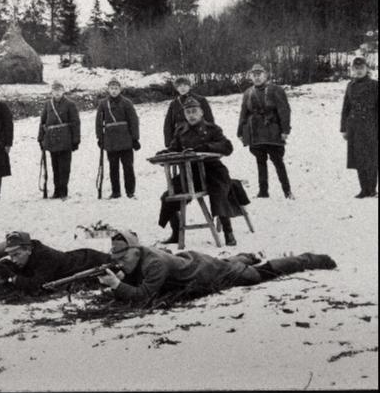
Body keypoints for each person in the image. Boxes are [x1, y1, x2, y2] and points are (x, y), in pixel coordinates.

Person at [96, 230, 336, 307]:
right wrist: (122, 276)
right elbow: (138, 277)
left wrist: (118, 285)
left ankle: (311, 259)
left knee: (259, 276)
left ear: (136, 251)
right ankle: (247, 256)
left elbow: (143, 297)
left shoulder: (154, 263)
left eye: (122, 256)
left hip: (208, 274)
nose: (119, 261)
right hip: (195, 262)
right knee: (229, 263)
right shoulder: (142, 256)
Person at [158, 97, 249, 246]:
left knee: (219, 193)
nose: (191, 115)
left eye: (194, 111)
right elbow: (174, 149)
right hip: (191, 174)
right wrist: (164, 154)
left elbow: (227, 147)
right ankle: (176, 233)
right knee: (168, 196)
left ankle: (228, 232)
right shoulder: (181, 131)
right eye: (188, 112)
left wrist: (207, 147)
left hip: (213, 171)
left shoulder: (212, 129)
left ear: (201, 113)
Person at [237, 64, 294, 199]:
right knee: (260, 161)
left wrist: (285, 130)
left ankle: (287, 191)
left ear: (265, 75)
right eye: (254, 75)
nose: (257, 78)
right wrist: (240, 131)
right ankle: (263, 192)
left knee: (278, 161)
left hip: (273, 131)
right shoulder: (248, 93)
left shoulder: (276, 90)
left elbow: (284, 110)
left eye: (259, 74)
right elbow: (243, 113)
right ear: (251, 77)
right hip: (255, 132)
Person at [0, 231, 110, 293]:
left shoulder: (44, 256)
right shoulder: (31, 251)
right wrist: (7, 267)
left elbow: (38, 287)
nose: (14, 260)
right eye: (11, 256)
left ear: (28, 250)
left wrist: (12, 277)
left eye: (16, 255)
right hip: (78, 256)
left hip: (90, 261)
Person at [340, 57, 378, 198]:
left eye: (361, 68)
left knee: (372, 159)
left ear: (367, 69)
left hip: (371, 126)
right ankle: (364, 189)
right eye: (356, 69)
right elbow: (346, 108)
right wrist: (343, 128)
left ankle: (372, 189)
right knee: (358, 158)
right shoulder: (350, 85)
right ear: (352, 70)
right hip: (354, 127)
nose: (358, 71)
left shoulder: (375, 85)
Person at [95, 78, 140, 198]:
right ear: (108, 90)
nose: (114, 91)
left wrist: (135, 138)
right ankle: (116, 192)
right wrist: (100, 138)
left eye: (116, 88)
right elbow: (99, 123)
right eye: (111, 88)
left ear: (120, 89)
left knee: (128, 167)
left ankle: (130, 191)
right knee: (113, 168)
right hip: (111, 141)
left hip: (126, 140)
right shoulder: (103, 104)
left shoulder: (127, 103)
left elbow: (134, 121)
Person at [38, 81, 81, 199]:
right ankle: (57, 190)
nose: (57, 93)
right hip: (52, 139)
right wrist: (40, 138)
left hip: (65, 138)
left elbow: (75, 123)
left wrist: (75, 140)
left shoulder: (70, 104)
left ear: (63, 91)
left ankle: (63, 191)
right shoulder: (48, 104)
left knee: (64, 166)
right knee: (55, 166)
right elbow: (42, 122)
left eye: (59, 90)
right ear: (51, 92)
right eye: (54, 90)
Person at [163, 77, 215, 148]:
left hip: (199, 136)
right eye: (180, 86)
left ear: (189, 86)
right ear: (176, 88)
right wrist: (168, 142)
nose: (182, 88)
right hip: (180, 138)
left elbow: (209, 119)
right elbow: (168, 124)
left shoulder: (201, 100)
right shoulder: (174, 104)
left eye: (185, 85)